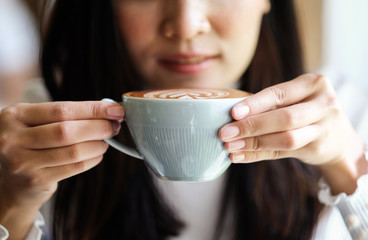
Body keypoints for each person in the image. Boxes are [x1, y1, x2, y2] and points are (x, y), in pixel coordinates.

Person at [0, 0, 367, 239]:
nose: (186, 25)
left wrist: (347, 166)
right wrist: (10, 205)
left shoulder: (341, 113)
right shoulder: (44, 127)